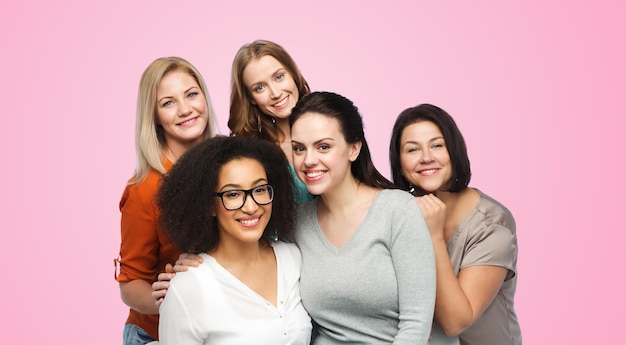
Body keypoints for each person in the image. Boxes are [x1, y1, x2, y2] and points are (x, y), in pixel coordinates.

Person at [289, 91, 436, 344]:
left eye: (323, 147)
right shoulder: (297, 222)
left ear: (354, 149)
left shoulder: (398, 210)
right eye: (299, 149)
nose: (309, 160)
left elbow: (416, 324)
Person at [156, 135, 312, 344]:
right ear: (209, 205)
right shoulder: (188, 288)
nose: (251, 207)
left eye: (259, 190)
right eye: (232, 194)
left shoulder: (293, 259)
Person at [388, 104, 522, 345]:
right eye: (412, 149)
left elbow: (455, 322)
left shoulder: (493, 224)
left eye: (437, 145)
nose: (426, 157)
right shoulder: (400, 213)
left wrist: (434, 236)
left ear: (454, 150)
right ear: (399, 161)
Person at [114, 56, 217, 345]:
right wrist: (170, 295)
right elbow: (130, 285)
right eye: (168, 103)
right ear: (155, 116)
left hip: (214, 330)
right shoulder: (145, 189)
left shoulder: (227, 165)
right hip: (155, 335)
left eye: (192, 94)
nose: (186, 109)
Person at [229, 39, 313, 204]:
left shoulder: (333, 128)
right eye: (259, 88)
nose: (275, 93)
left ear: (293, 74)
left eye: (279, 77)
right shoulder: (250, 153)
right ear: (251, 98)